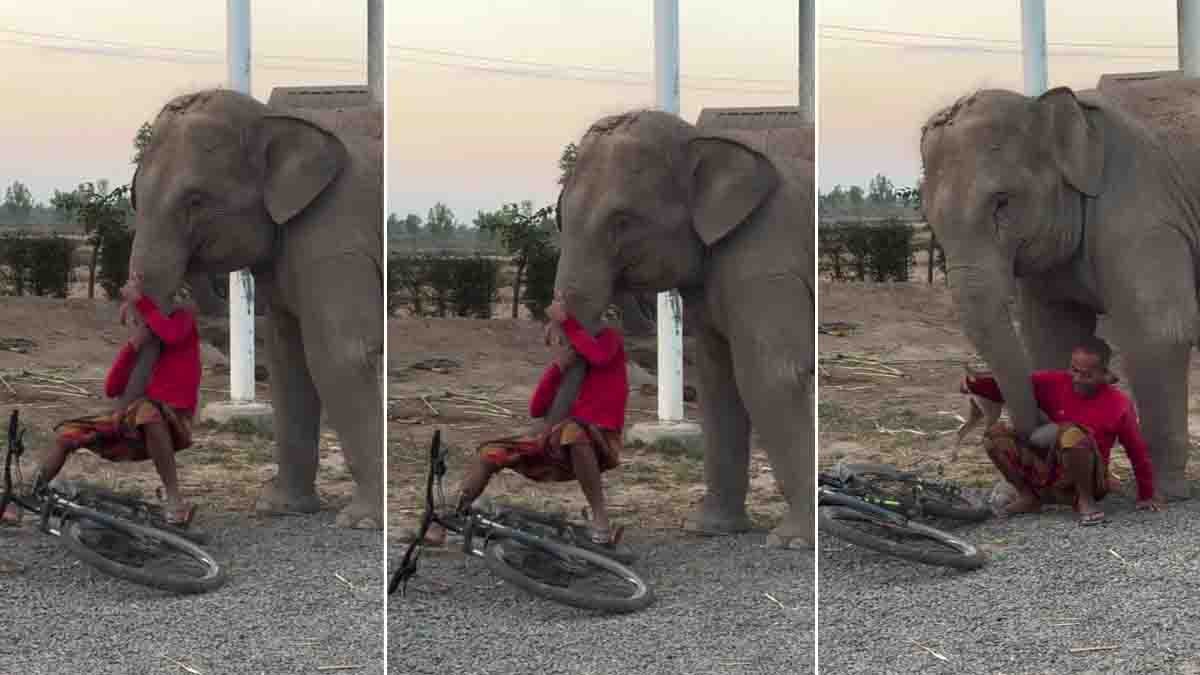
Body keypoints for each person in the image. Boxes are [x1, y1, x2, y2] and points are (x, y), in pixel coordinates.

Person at [409, 292, 628, 546]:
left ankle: (601, 518)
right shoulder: (566, 367)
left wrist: (566, 322)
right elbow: (537, 408)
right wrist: (557, 368)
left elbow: (598, 356)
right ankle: (445, 519)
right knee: (489, 452)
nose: (561, 341)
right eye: (557, 338)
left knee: (573, 431)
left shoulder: (608, 341)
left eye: (563, 335)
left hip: (597, 438)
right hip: (555, 441)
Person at [2, 273, 202, 527]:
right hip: (134, 424)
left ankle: (175, 501)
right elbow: (112, 388)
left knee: (147, 409)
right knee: (67, 435)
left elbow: (171, 334)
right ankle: (21, 500)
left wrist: (141, 302)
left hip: (172, 420)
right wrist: (132, 347)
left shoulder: (182, 323)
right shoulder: (144, 348)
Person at [963, 336, 1161, 526]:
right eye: (1075, 370)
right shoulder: (1054, 382)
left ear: (1105, 374)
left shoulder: (1119, 404)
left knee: (1071, 432)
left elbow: (1137, 451)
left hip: (1089, 481)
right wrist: (973, 384)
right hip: (1046, 474)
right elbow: (1012, 388)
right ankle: (1028, 496)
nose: (1078, 379)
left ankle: (1085, 501)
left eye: (1087, 374)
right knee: (995, 434)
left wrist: (1146, 494)